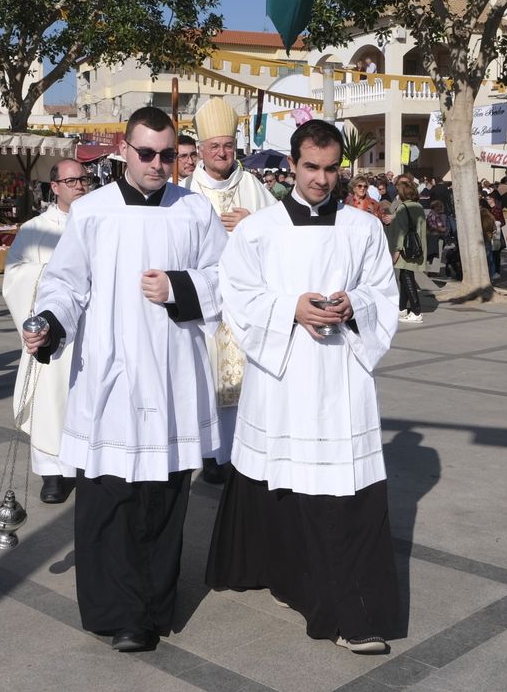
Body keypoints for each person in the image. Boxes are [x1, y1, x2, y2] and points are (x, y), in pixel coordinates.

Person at [21, 106, 227, 654]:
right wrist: (48, 322)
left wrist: (180, 288)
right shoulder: (91, 211)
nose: (158, 164)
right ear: (124, 149)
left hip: (171, 375)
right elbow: (66, 283)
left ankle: (150, 613)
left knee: (162, 499)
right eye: (146, 153)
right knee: (110, 498)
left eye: (166, 155)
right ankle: (113, 609)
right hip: (110, 374)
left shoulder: (195, 213)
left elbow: (226, 280)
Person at [206, 118, 403, 655]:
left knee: (340, 492)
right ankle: (270, 568)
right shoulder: (258, 230)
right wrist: (290, 308)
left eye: (331, 168)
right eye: (311, 167)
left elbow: (383, 294)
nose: (321, 179)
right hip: (283, 374)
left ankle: (345, 610)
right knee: (278, 477)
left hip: (340, 377)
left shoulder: (364, 229)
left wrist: (352, 305)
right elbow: (237, 297)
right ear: (291, 165)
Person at [180, 98, 276, 483]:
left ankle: (243, 450)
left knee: (246, 377)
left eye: (228, 146)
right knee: (204, 377)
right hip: (204, 307)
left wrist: (254, 223)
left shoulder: (253, 188)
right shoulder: (185, 191)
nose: (222, 153)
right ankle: (211, 454)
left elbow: (282, 237)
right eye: (214, 147)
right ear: (201, 150)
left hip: (244, 304)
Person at [1, 158, 91, 505]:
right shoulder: (36, 228)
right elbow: (14, 275)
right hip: (52, 334)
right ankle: (52, 473)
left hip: (89, 331)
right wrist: (52, 276)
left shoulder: (100, 221)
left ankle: (84, 465)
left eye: (84, 180)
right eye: (72, 181)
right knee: (49, 403)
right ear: (54, 187)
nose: (80, 186)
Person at [386, 175, 427, 323]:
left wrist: (396, 250)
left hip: (405, 248)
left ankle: (416, 312)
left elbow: (401, 231)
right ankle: (402, 309)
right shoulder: (419, 207)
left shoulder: (403, 208)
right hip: (416, 246)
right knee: (405, 275)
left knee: (406, 277)